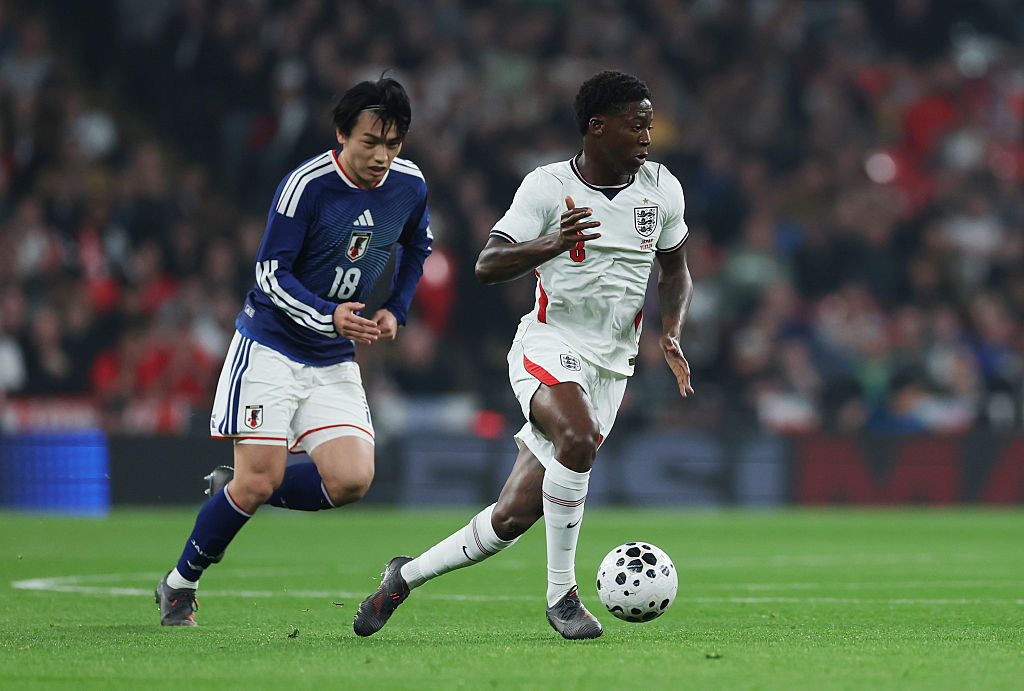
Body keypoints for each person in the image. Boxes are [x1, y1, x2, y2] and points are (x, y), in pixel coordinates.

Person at [352, 70, 693, 640]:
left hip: (612, 367)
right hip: (550, 342)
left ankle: (402, 578)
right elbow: (487, 264)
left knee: (511, 517)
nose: (646, 137)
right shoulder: (547, 187)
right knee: (577, 438)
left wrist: (671, 331)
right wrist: (554, 242)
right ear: (597, 127)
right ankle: (563, 597)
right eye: (636, 126)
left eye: (649, 126)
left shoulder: (662, 189)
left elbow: (676, 271)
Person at [155, 76, 433, 626]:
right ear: (342, 135)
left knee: (352, 480)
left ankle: (235, 488)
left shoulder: (409, 184)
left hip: (331, 354)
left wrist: (395, 309)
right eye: (370, 142)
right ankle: (180, 584)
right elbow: (269, 273)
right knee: (258, 480)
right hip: (271, 345)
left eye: (393, 143)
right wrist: (329, 314)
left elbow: (417, 244)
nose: (382, 156)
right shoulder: (307, 186)